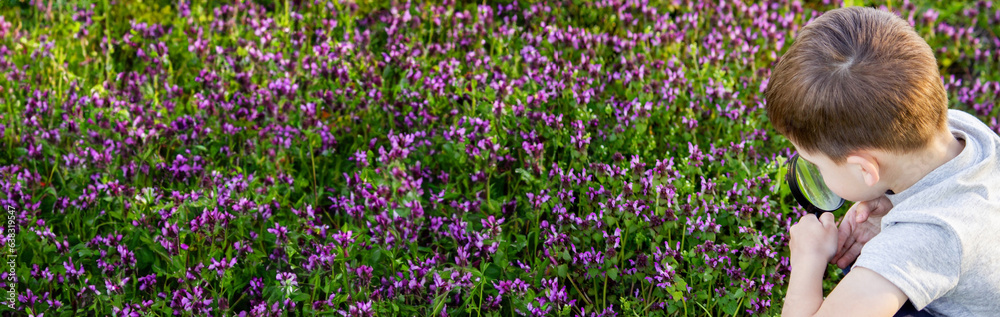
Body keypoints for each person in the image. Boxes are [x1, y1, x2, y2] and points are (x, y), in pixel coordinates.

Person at [763, 6, 1000, 317]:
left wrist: (808, 261)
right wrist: (896, 204)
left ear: (865, 170)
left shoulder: (921, 241)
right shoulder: (963, 129)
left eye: (816, 165)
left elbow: (932, 237)